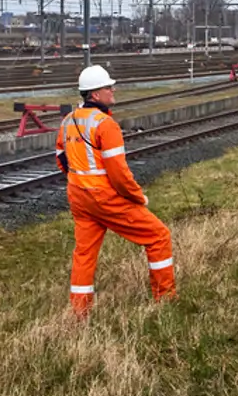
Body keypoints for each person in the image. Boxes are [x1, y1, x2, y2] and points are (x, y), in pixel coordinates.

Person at [58, 64, 175, 317]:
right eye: (108, 87)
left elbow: (61, 156)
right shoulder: (106, 125)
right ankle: (165, 298)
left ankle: (79, 312)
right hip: (104, 197)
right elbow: (119, 174)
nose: (113, 90)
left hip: (79, 197)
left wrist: (77, 180)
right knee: (159, 236)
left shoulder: (68, 121)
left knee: (84, 254)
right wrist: (137, 197)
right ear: (95, 94)